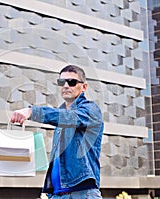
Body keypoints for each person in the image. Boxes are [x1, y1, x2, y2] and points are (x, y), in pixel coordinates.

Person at [10, 65, 104, 199]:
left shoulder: (90, 110)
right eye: (61, 82)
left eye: (71, 82)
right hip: (57, 194)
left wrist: (31, 112)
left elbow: (70, 118)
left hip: (82, 193)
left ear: (84, 87)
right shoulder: (61, 117)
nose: (65, 85)